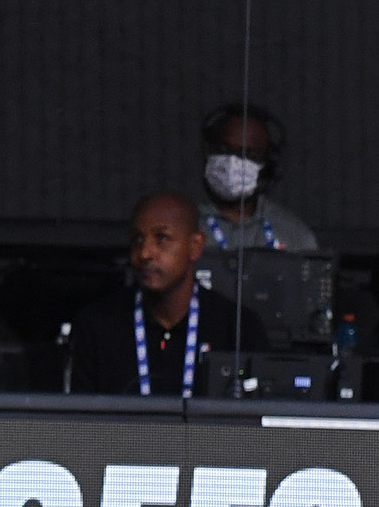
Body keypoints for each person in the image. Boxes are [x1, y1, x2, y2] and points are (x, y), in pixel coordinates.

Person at [70, 193, 247, 397]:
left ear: (195, 246)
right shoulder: (97, 325)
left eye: (161, 238)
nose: (144, 253)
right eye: (137, 239)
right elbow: (81, 422)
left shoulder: (238, 327)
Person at [197, 102, 318, 253]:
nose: (233, 162)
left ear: (268, 167)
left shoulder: (294, 235)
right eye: (224, 150)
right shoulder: (181, 226)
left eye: (248, 154)